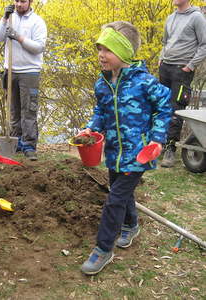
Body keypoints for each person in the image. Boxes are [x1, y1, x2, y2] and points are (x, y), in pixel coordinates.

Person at [79, 21, 172, 275]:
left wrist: (157, 137)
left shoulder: (144, 82)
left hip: (138, 153)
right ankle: (131, 225)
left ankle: (103, 249)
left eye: (107, 49)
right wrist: (91, 128)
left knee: (114, 200)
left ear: (124, 53)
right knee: (120, 191)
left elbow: (165, 104)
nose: (101, 54)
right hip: (114, 153)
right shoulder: (102, 84)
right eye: (99, 48)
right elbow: (101, 111)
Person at [0, 0, 47, 161]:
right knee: (14, 110)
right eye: (16, 0)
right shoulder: (10, 18)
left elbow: (38, 47)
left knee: (28, 111)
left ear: (30, 2)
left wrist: (18, 37)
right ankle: (15, 143)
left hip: (30, 72)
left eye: (23, 1)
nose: (19, 4)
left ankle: (29, 145)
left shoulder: (37, 22)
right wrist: (4, 18)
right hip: (11, 71)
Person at [159, 0, 206, 168]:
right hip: (165, 68)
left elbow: (204, 44)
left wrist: (190, 66)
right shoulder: (170, 17)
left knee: (175, 108)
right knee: (161, 107)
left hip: (182, 70)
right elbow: (165, 42)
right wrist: (160, 60)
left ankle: (171, 149)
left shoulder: (197, 18)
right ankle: (159, 145)